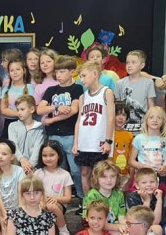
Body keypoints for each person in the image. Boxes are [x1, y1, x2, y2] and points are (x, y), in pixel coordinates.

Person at [39, 55, 82, 196]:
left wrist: (52, 120)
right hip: (53, 136)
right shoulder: (51, 90)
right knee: (59, 169)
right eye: (57, 72)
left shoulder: (77, 89)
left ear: (72, 72)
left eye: (62, 71)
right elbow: (40, 109)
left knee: (75, 170)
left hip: (70, 134)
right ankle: (60, 198)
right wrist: (57, 106)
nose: (58, 75)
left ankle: (81, 196)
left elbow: (74, 110)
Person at [73, 62, 115, 198]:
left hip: (99, 142)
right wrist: (75, 143)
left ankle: (100, 204)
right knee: (85, 173)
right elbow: (79, 121)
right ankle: (88, 203)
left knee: (100, 175)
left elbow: (111, 118)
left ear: (95, 74)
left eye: (84, 75)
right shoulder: (83, 97)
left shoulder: (106, 92)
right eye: (80, 76)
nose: (81, 79)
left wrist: (108, 141)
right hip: (84, 142)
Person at [33, 141, 74, 235]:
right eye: (45, 155)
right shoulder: (38, 173)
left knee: (51, 206)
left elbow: (68, 198)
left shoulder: (65, 174)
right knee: (40, 206)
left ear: (58, 155)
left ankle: (64, 233)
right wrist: (42, 199)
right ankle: (38, 233)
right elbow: (34, 191)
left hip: (58, 205)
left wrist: (55, 198)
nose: (48, 158)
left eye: (52, 155)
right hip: (40, 202)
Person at [128, 106, 166, 186]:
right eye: (151, 117)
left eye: (159, 118)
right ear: (146, 120)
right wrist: (142, 166)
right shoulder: (139, 138)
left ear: (163, 121)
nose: (155, 120)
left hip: (162, 176)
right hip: (144, 176)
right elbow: (131, 161)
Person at [83, 160, 128, 235]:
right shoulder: (92, 195)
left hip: (114, 226)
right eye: (104, 176)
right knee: (116, 234)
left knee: (126, 233)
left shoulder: (119, 194)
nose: (109, 180)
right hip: (96, 227)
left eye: (112, 176)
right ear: (96, 178)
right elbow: (95, 222)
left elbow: (121, 217)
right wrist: (118, 227)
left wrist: (125, 227)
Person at [114, 50, 156, 133]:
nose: (129, 65)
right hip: (123, 129)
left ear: (142, 65)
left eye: (133, 62)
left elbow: (151, 106)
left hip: (142, 129)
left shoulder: (148, 83)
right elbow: (117, 106)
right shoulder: (119, 83)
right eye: (127, 62)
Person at [7, 94, 45, 175]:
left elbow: (37, 148)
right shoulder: (13, 126)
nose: (19, 112)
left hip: (33, 168)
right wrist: (22, 160)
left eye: (22, 109)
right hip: (15, 165)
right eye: (17, 110)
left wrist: (30, 165)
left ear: (32, 109)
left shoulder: (39, 128)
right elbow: (14, 145)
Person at [125, 168, 165, 235]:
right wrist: (147, 201)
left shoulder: (158, 195)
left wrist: (159, 200)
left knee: (157, 228)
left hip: (152, 226)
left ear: (157, 183)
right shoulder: (132, 197)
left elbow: (155, 222)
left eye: (152, 181)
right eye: (144, 182)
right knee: (156, 229)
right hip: (136, 226)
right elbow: (141, 222)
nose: (149, 185)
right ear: (137, 186)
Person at [0, 58, 31, 136]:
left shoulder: (30, 88)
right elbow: (3, 110)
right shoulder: (6, 89)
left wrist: (21, 114)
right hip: (8, 124)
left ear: (24, 71)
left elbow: (32, 109)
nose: (15, 72)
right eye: (12, 70)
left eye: (18, 69)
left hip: (26, 124)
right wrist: (21, 113)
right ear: (9, 73)